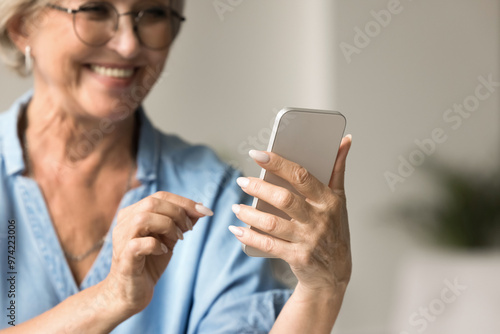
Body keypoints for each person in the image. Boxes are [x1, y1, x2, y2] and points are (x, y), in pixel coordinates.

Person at [0, 0, 352, 333]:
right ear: (22, 27)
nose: (127, 45)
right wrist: (109, 299)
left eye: (152, 13)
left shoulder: (211, 190)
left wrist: (322, 290)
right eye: (94, 10)